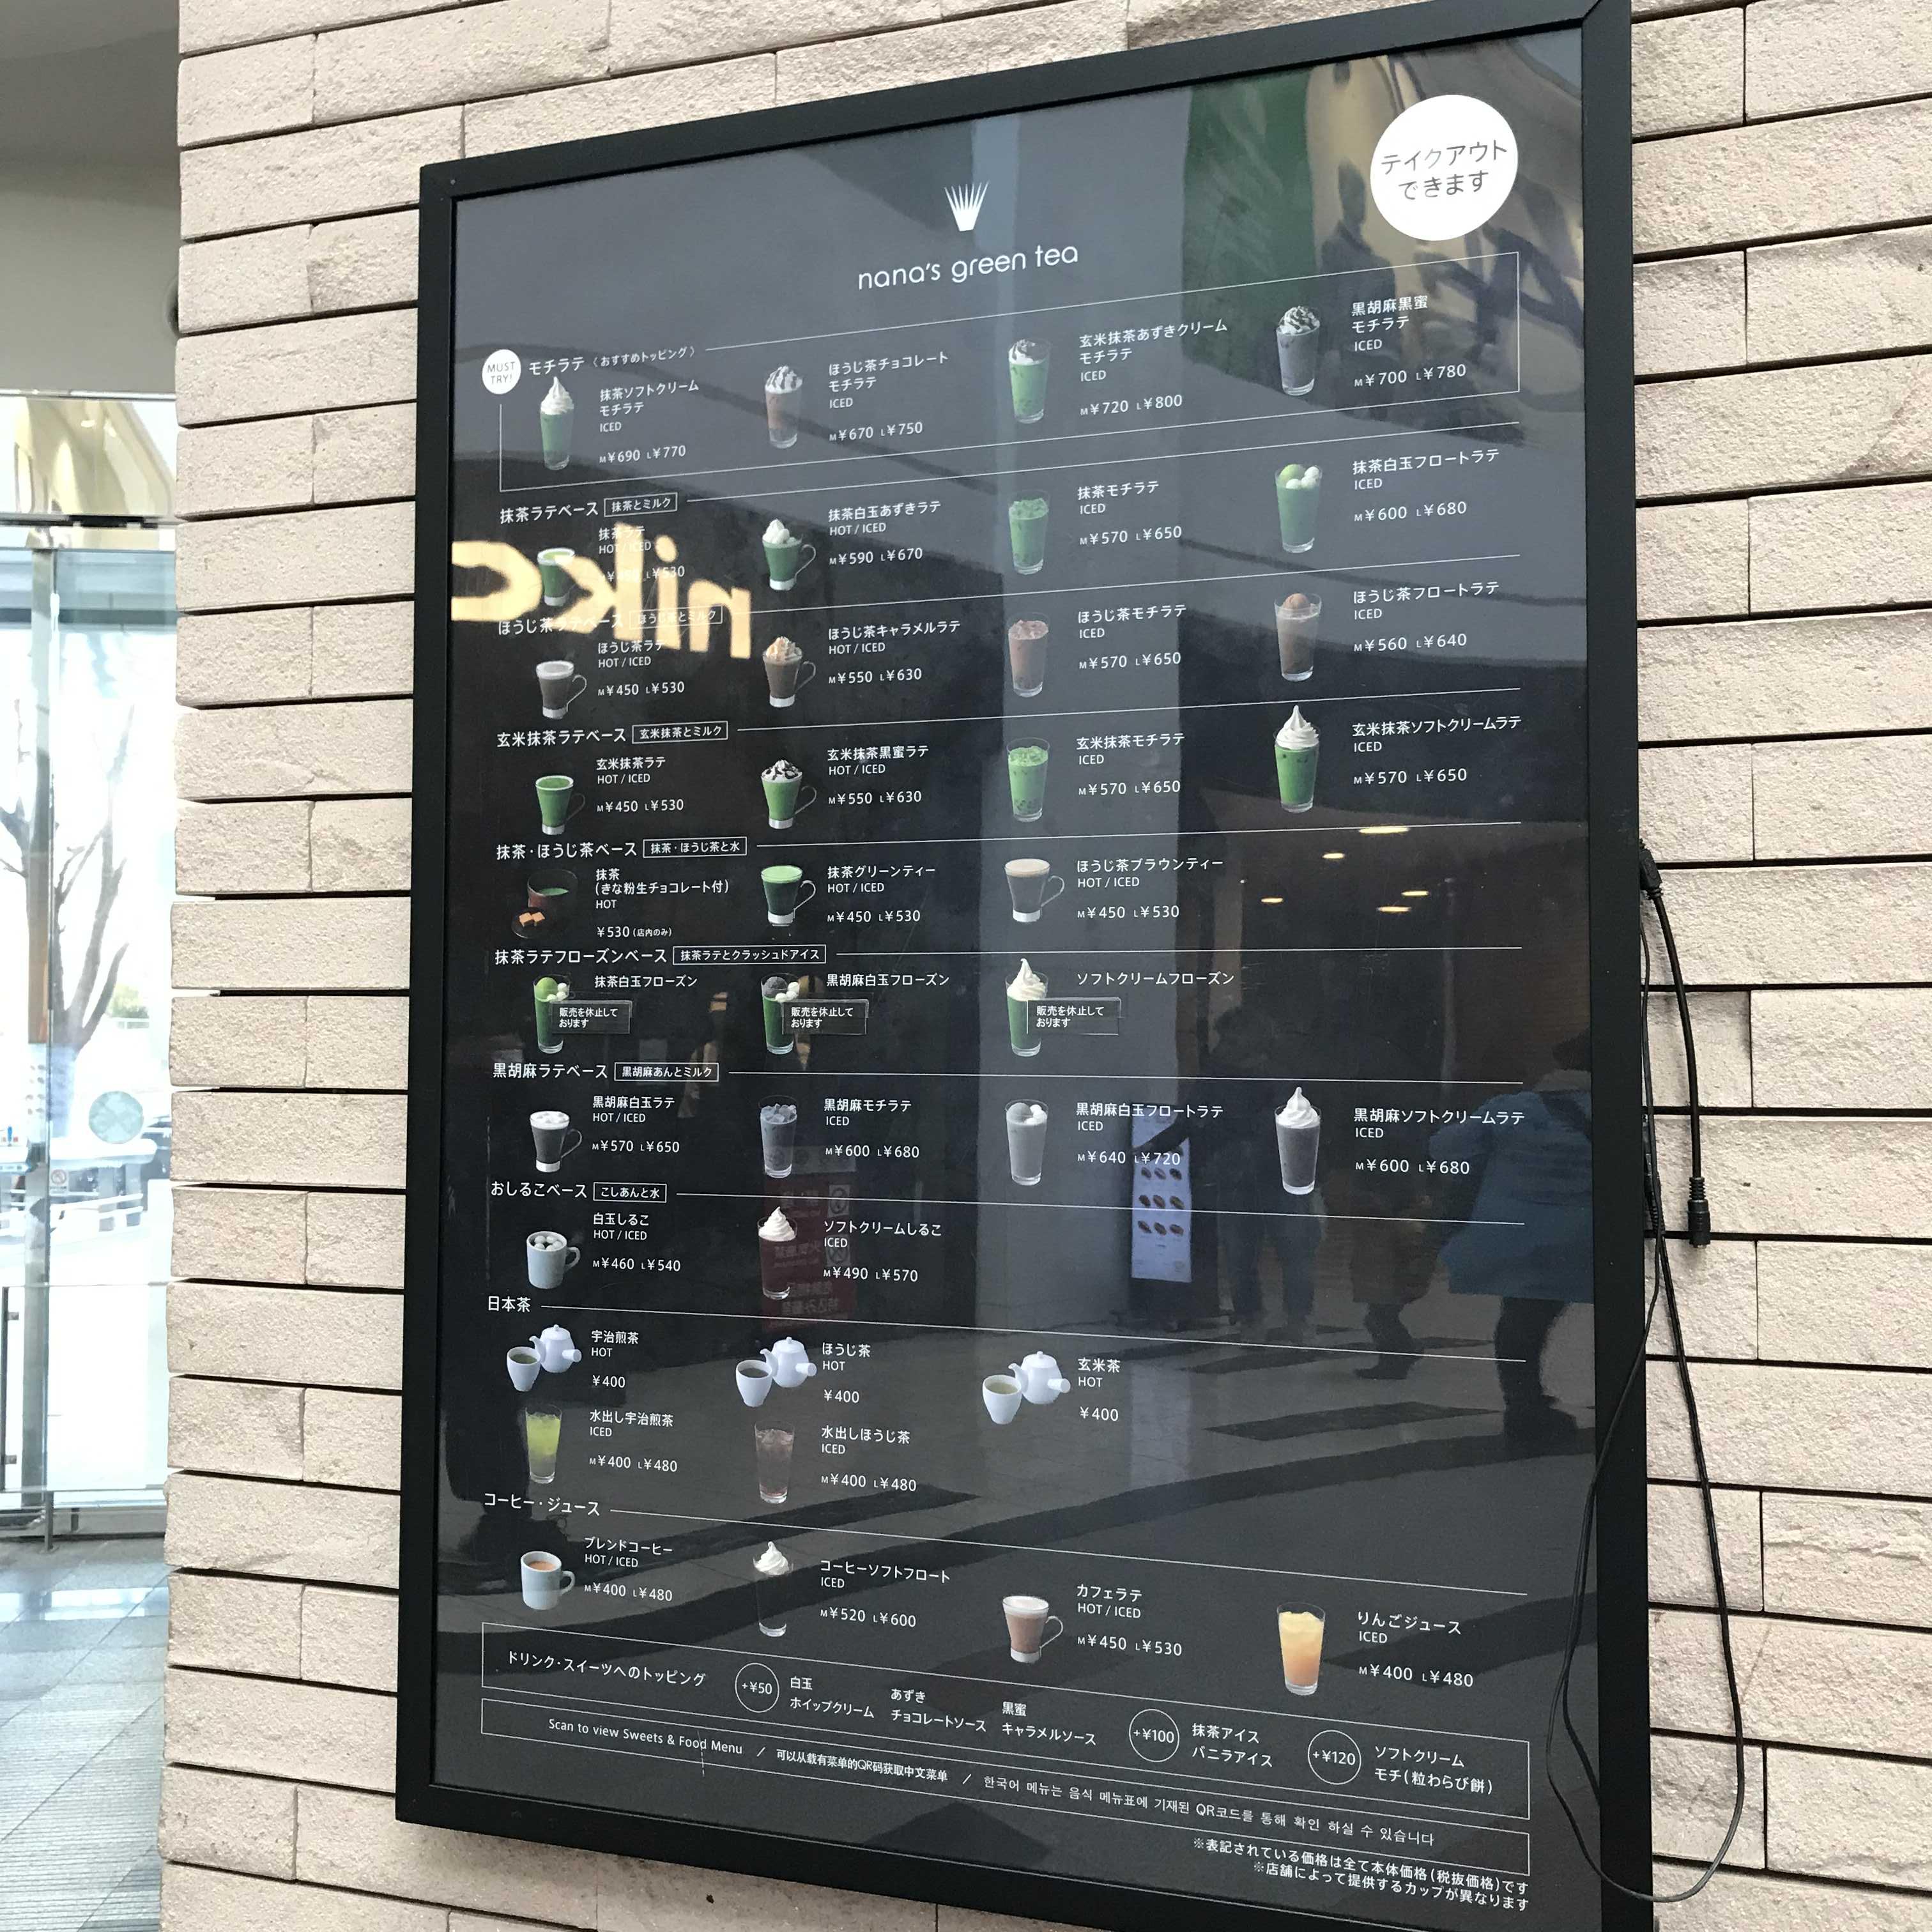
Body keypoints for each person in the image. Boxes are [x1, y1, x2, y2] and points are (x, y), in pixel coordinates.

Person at [1429, 1034, 1593, 1448]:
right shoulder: (1617, 1110)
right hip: (1580, 1240)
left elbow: (1444, 1149)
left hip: (1512, 1237)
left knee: (1520, 1323)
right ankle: (1541, 1408)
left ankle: (1524, 1406)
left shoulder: (1513, 1109)